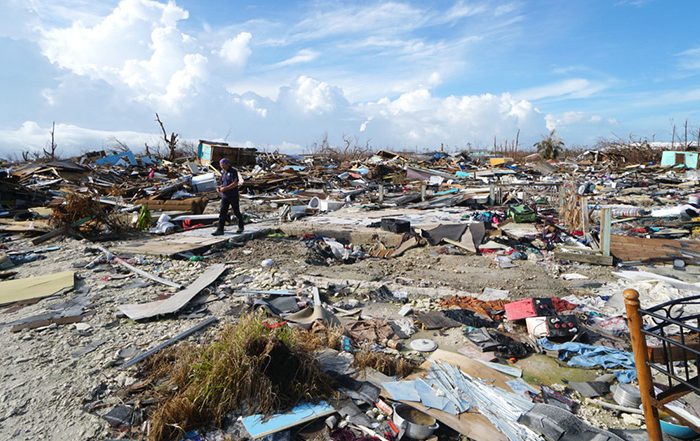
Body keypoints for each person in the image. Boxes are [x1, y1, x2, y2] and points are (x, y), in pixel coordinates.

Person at [212, 158, 245, 236]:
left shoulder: (233, 171)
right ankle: (220, 230)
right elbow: (222, 183)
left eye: (223, 165)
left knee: (236, 211)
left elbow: (235, 183)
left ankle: (241, 226)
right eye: (221, 166)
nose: (222, 167)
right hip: (225, 196)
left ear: (228, 164)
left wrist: (225, 188)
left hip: (233, 195)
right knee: (222, 212)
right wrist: (219, 187)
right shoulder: (223, 172)